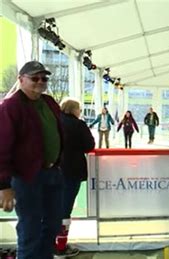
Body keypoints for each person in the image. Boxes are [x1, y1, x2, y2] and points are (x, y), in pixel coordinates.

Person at [0, 61, 64, 258]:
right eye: (34, 78)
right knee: (30, 228)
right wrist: (4, 186)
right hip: (26, 177)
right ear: (21, 80)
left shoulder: (50, 102)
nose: (40, 82)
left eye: (44, 78)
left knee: (53, 225)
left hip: (53, 173)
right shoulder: (10, 107)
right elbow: (2, 147)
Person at [55, 98, 95, 257]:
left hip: (52, 171)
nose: (80, 112)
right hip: (72, 171)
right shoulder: (78, 125)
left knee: (51, 208)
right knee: (65, 209)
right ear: (73, 110)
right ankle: (60, 247)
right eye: (79, 109)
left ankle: (49, 243)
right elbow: (89, 145)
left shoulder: (54, 122)